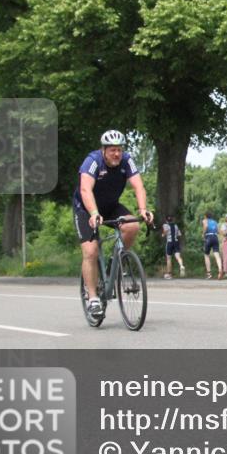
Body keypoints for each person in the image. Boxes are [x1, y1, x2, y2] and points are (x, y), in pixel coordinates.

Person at [73, 130, 153, 318]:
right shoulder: (92, 161)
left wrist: (143, 210)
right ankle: (93, 298)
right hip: (85, 209)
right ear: (104, 150)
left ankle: (115, 263)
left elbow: (138, 186)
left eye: (119, 149)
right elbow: (85, 189)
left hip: (110, 206)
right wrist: (93, 213)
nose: (116, 154)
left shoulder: (127, 160)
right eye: (112, 150)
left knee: (132, 225)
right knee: (91, 251)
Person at [201, 211, 224, 280]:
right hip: (215, 237)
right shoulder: (215, 222)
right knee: (217, 254)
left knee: (206, 255)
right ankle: (220, 269)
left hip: (208, 237)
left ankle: (209, 274)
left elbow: (206, 226)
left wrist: (203, 234)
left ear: (205, 216)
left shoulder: (205, 220)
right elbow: (218, 231)